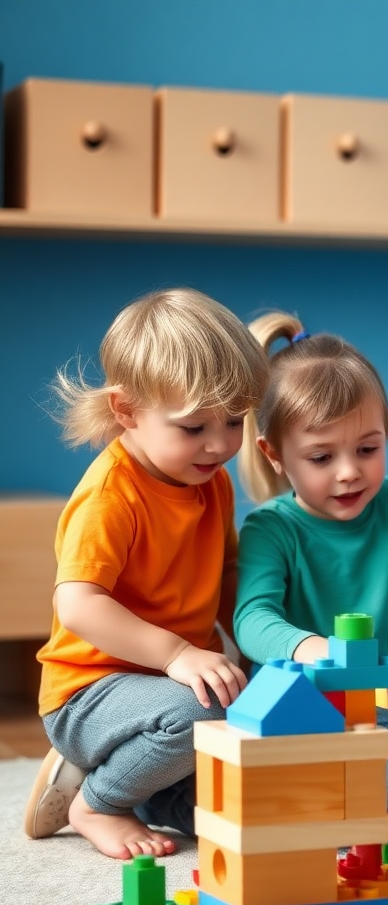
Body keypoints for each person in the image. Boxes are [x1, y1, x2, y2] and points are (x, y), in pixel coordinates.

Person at [24, 287, 269, 860]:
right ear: (126, 410)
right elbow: (79, 605)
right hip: (90, 692)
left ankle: (152, 793)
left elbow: (227, 572)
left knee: (247, 798)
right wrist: (175, 655)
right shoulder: (112, 497)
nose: (219, 444)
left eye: (233, 421)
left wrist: (261, 649)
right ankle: (98, 802)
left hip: (170, 683)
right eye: (192, 428)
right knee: (204, 710)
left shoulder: (211, 479)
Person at [233, 314, 388, 841]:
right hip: (309, 715)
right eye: (320, 456)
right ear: (275, 454)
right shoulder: (271, 527)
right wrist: (309, 646)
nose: (349, 471)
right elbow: (251, 619)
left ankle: (342, 801)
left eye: (367, 448)